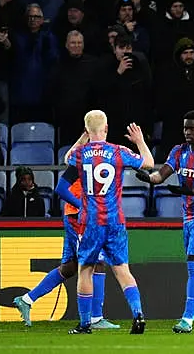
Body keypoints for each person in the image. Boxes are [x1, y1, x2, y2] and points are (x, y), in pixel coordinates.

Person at [135, 110, 194, 333]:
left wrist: (189, 190)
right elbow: (161, 175)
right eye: (185, 127)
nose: (187, 132)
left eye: (191, 128)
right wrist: (147, 178)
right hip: (188, 217)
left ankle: (187, 320)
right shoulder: (179, 151)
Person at [13, 136, 119, 329]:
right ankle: (95, 318)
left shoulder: (91, 154)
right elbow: (67, 165)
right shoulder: (83, 155)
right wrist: (82, 207)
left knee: (69, 268)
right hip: (78, 216)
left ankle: (27, 299)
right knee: (97, 262)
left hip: (75, 215)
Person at [66, 110, 154, 334]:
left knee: (85, 269)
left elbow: (67, 158)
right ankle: (138, 314)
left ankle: (85, 323)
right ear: (106, 129)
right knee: (122, 269)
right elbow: (149, 163)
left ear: (87, 131)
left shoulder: (80, 153)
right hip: (115, 220)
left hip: (90, 221)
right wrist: (140, 141)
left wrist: (84, 137)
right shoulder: (118, 152)